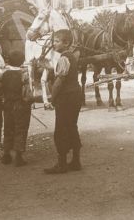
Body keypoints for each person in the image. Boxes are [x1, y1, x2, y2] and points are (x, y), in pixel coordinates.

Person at [44, 29, 82, 174]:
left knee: (60, 130)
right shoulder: (71, 56)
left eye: (57, 41)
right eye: (53, 40)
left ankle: (62, 164)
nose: (54, 44)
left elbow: (59, 82)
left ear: (66, 43)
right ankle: (76, 161)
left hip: (66, 98)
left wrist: (51, 99)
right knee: (72, 126)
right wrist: (49, 68)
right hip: (75, 95)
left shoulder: (63, 59)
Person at [1, 50, 32, 166]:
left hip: (8, 104)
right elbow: (27, 92)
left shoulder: (4, 73)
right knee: (21, 128)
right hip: (21, 105)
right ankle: (18, 156)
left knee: (8, 128)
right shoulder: (24, 74)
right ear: (22, 61)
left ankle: (6, 154)